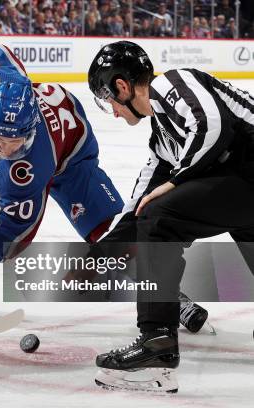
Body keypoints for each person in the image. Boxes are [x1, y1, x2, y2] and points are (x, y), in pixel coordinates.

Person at [88, 40, 254, 393]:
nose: (114, 112)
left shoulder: (172, 83)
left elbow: (213, 127)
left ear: (122, 86)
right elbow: (137, 206)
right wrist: (103, 252)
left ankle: (157, 346)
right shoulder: (162, 139)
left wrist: (175, 182)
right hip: (244, 189)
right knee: (153, 214)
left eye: (109, 102)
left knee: (160, 219)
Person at [0, 45, 124, 272]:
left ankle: (156, 276)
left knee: (107, 229)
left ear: (30, 131)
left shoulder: (30, 166)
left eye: (15, 143)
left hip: (70, 153)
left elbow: (9, 238)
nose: (6, 150)